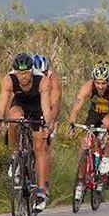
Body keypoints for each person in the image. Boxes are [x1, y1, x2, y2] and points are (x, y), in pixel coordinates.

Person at [0, 53, 53, 211]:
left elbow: (46, 108)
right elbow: (2, 104)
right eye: (20, 73)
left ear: (32, 71)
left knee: (39, 146)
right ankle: (14, 156)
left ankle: (40, 191)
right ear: (15, 72)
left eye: (26, 73)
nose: (23, 77)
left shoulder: (42, 81)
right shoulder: (9, 80)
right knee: (13, 118)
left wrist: (46, 125)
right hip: (19, 104)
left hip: (37, 106)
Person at [67, 62, 109, 198]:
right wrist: (72, 125)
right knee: (84, 144)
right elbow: (77, 106)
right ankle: (81, 181)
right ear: (94, 81)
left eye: (104, 83)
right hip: (94, 114)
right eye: (98, 83)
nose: (100, 86)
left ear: (108, 82)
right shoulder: (88, 87)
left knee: (107, 126)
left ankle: (105, 157)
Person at [31, 54, 62, 195]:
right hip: (33, 107)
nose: (41, 77)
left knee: (45, 145)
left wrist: (50, 125)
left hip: (48, 110)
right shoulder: (28, 78)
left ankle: (45, 183)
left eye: (43, 73)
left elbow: (54, 105)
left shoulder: (53, 80)